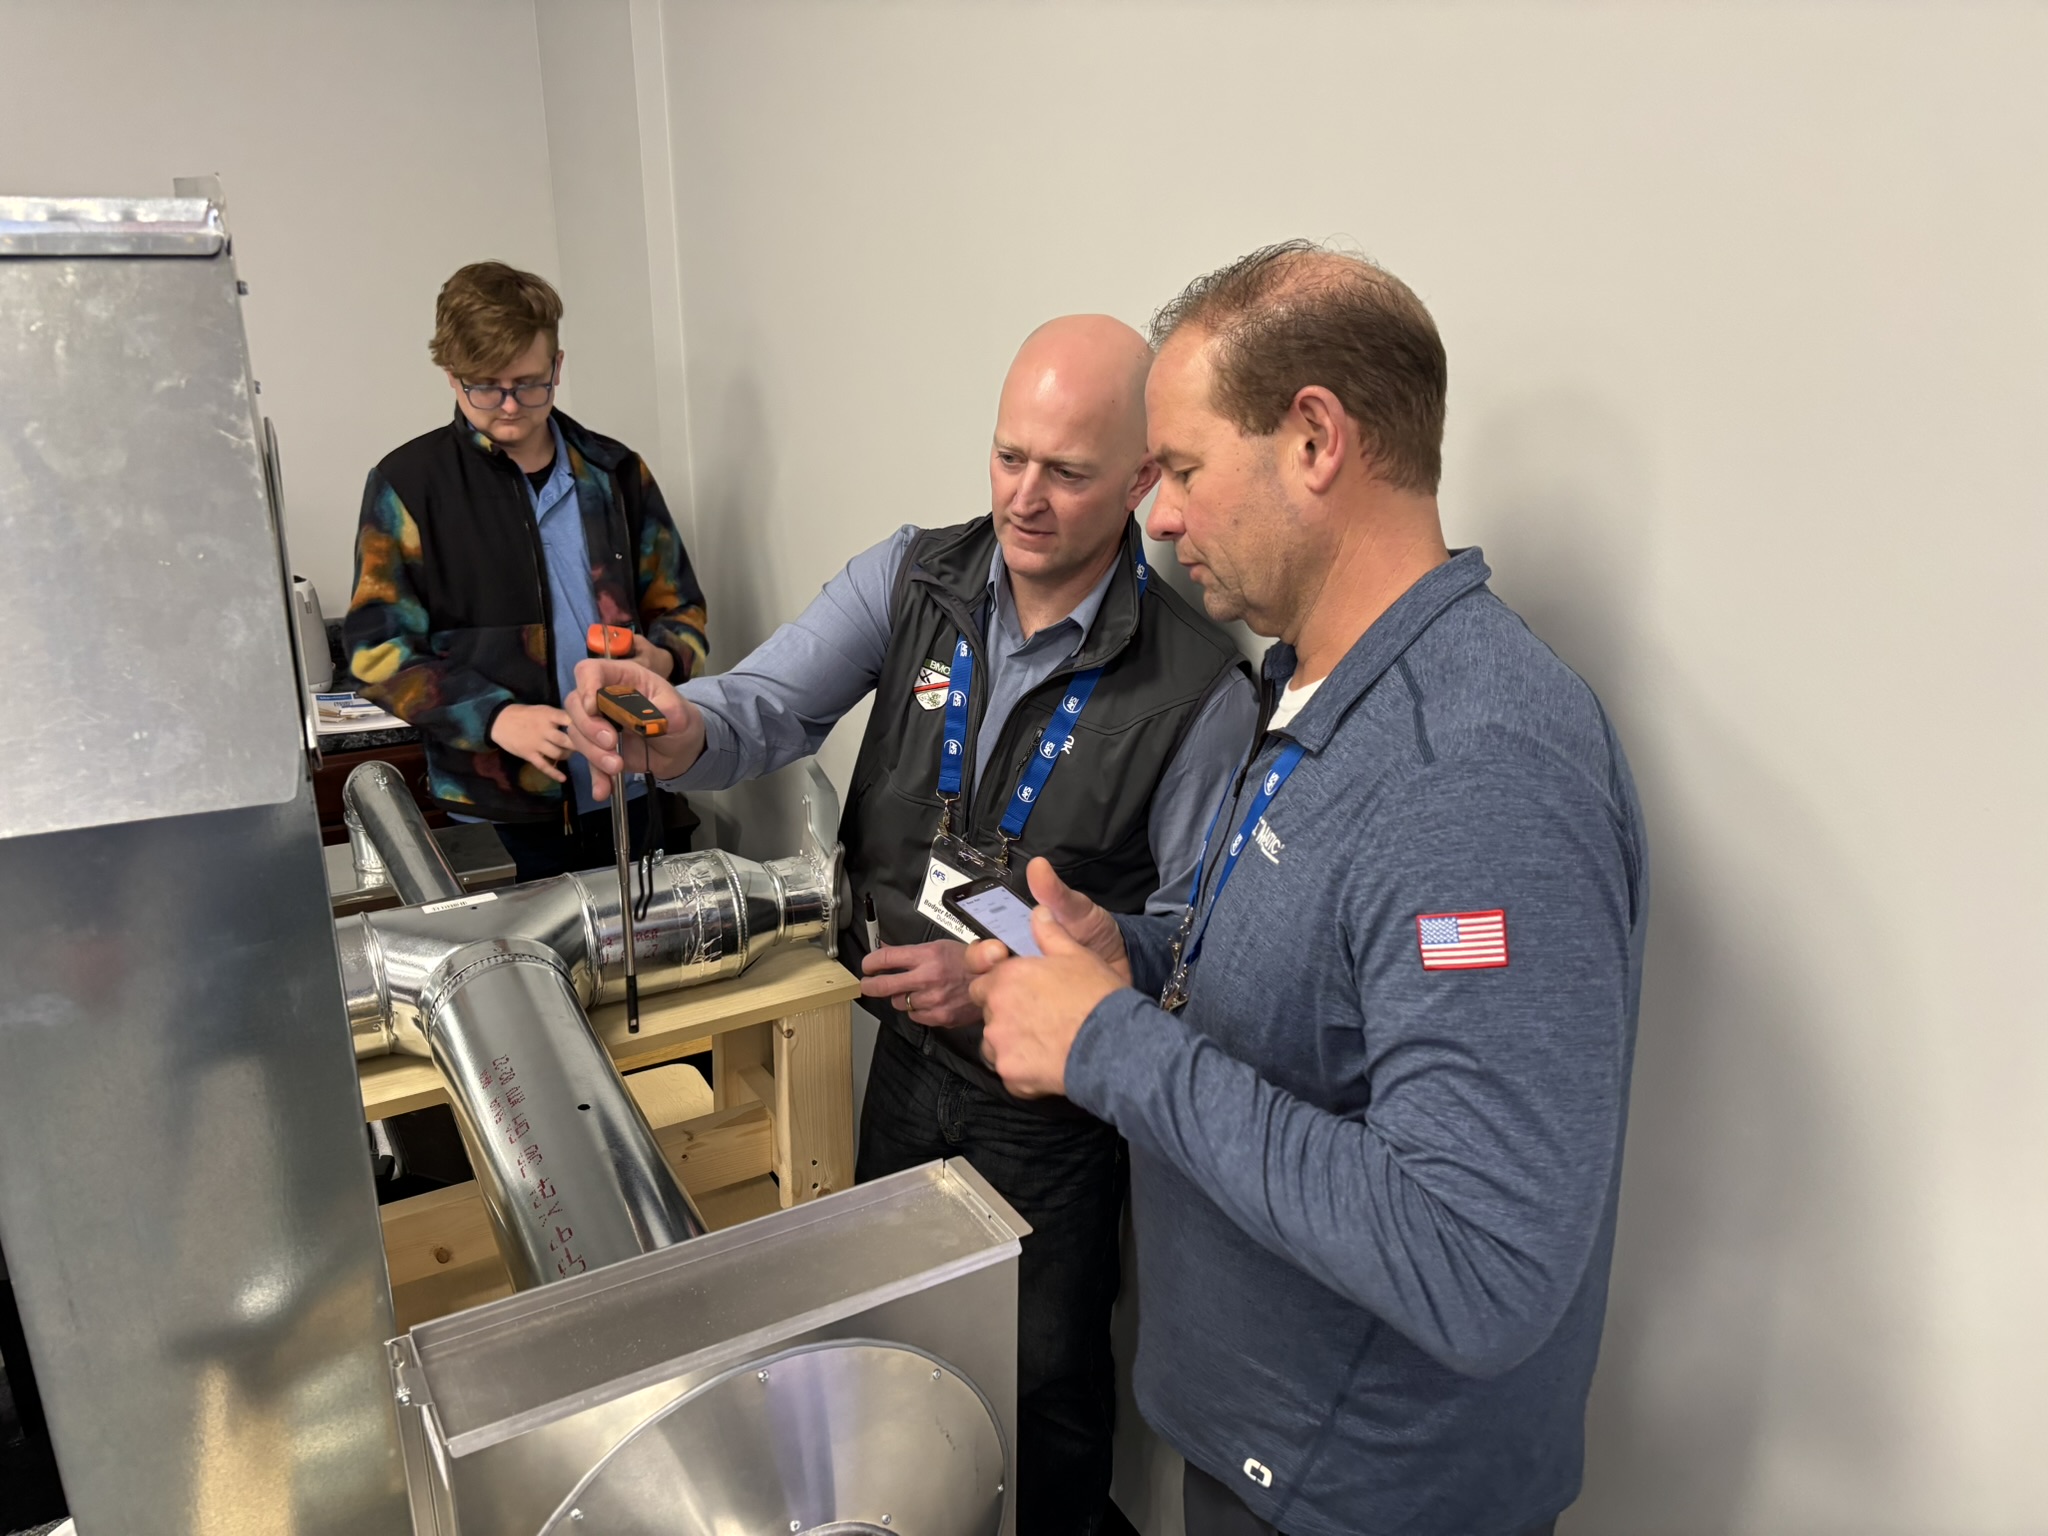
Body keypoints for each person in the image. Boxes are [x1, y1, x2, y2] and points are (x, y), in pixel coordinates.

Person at [963, 245, 1649, 1536]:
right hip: (1259, 1449)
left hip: (1363, 1498)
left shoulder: (1474, 771)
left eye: (1181, 469)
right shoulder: (1312, 688)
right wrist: (1136, 955)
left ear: (1315, 440)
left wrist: (1108, 1046)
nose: (1157, 519)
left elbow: (1479, 1263)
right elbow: (1324, 990)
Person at [565, 314, 1258, 1536]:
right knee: (892, 1354)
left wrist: (996, 978)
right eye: (1007, 456)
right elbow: (767, 704)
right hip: (902, 1053)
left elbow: (1189, 946)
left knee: (1038, 1393)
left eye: (1065, 472)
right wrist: (677, 728)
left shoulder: (1196, 685)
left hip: (1051, 1114)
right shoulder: (915, 575)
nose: (1022, 498)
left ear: (1141, 480)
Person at [343, 261, 708, 880]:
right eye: (486, 387)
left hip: (633, 785)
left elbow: (682, 610)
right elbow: (378, 653)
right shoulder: (409, 486)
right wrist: (495, 717)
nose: (510, 406)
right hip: (498, 812)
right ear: (452, 375)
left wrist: (665, 659)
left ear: (557, 366)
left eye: (530, 384)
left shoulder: (616, 472)